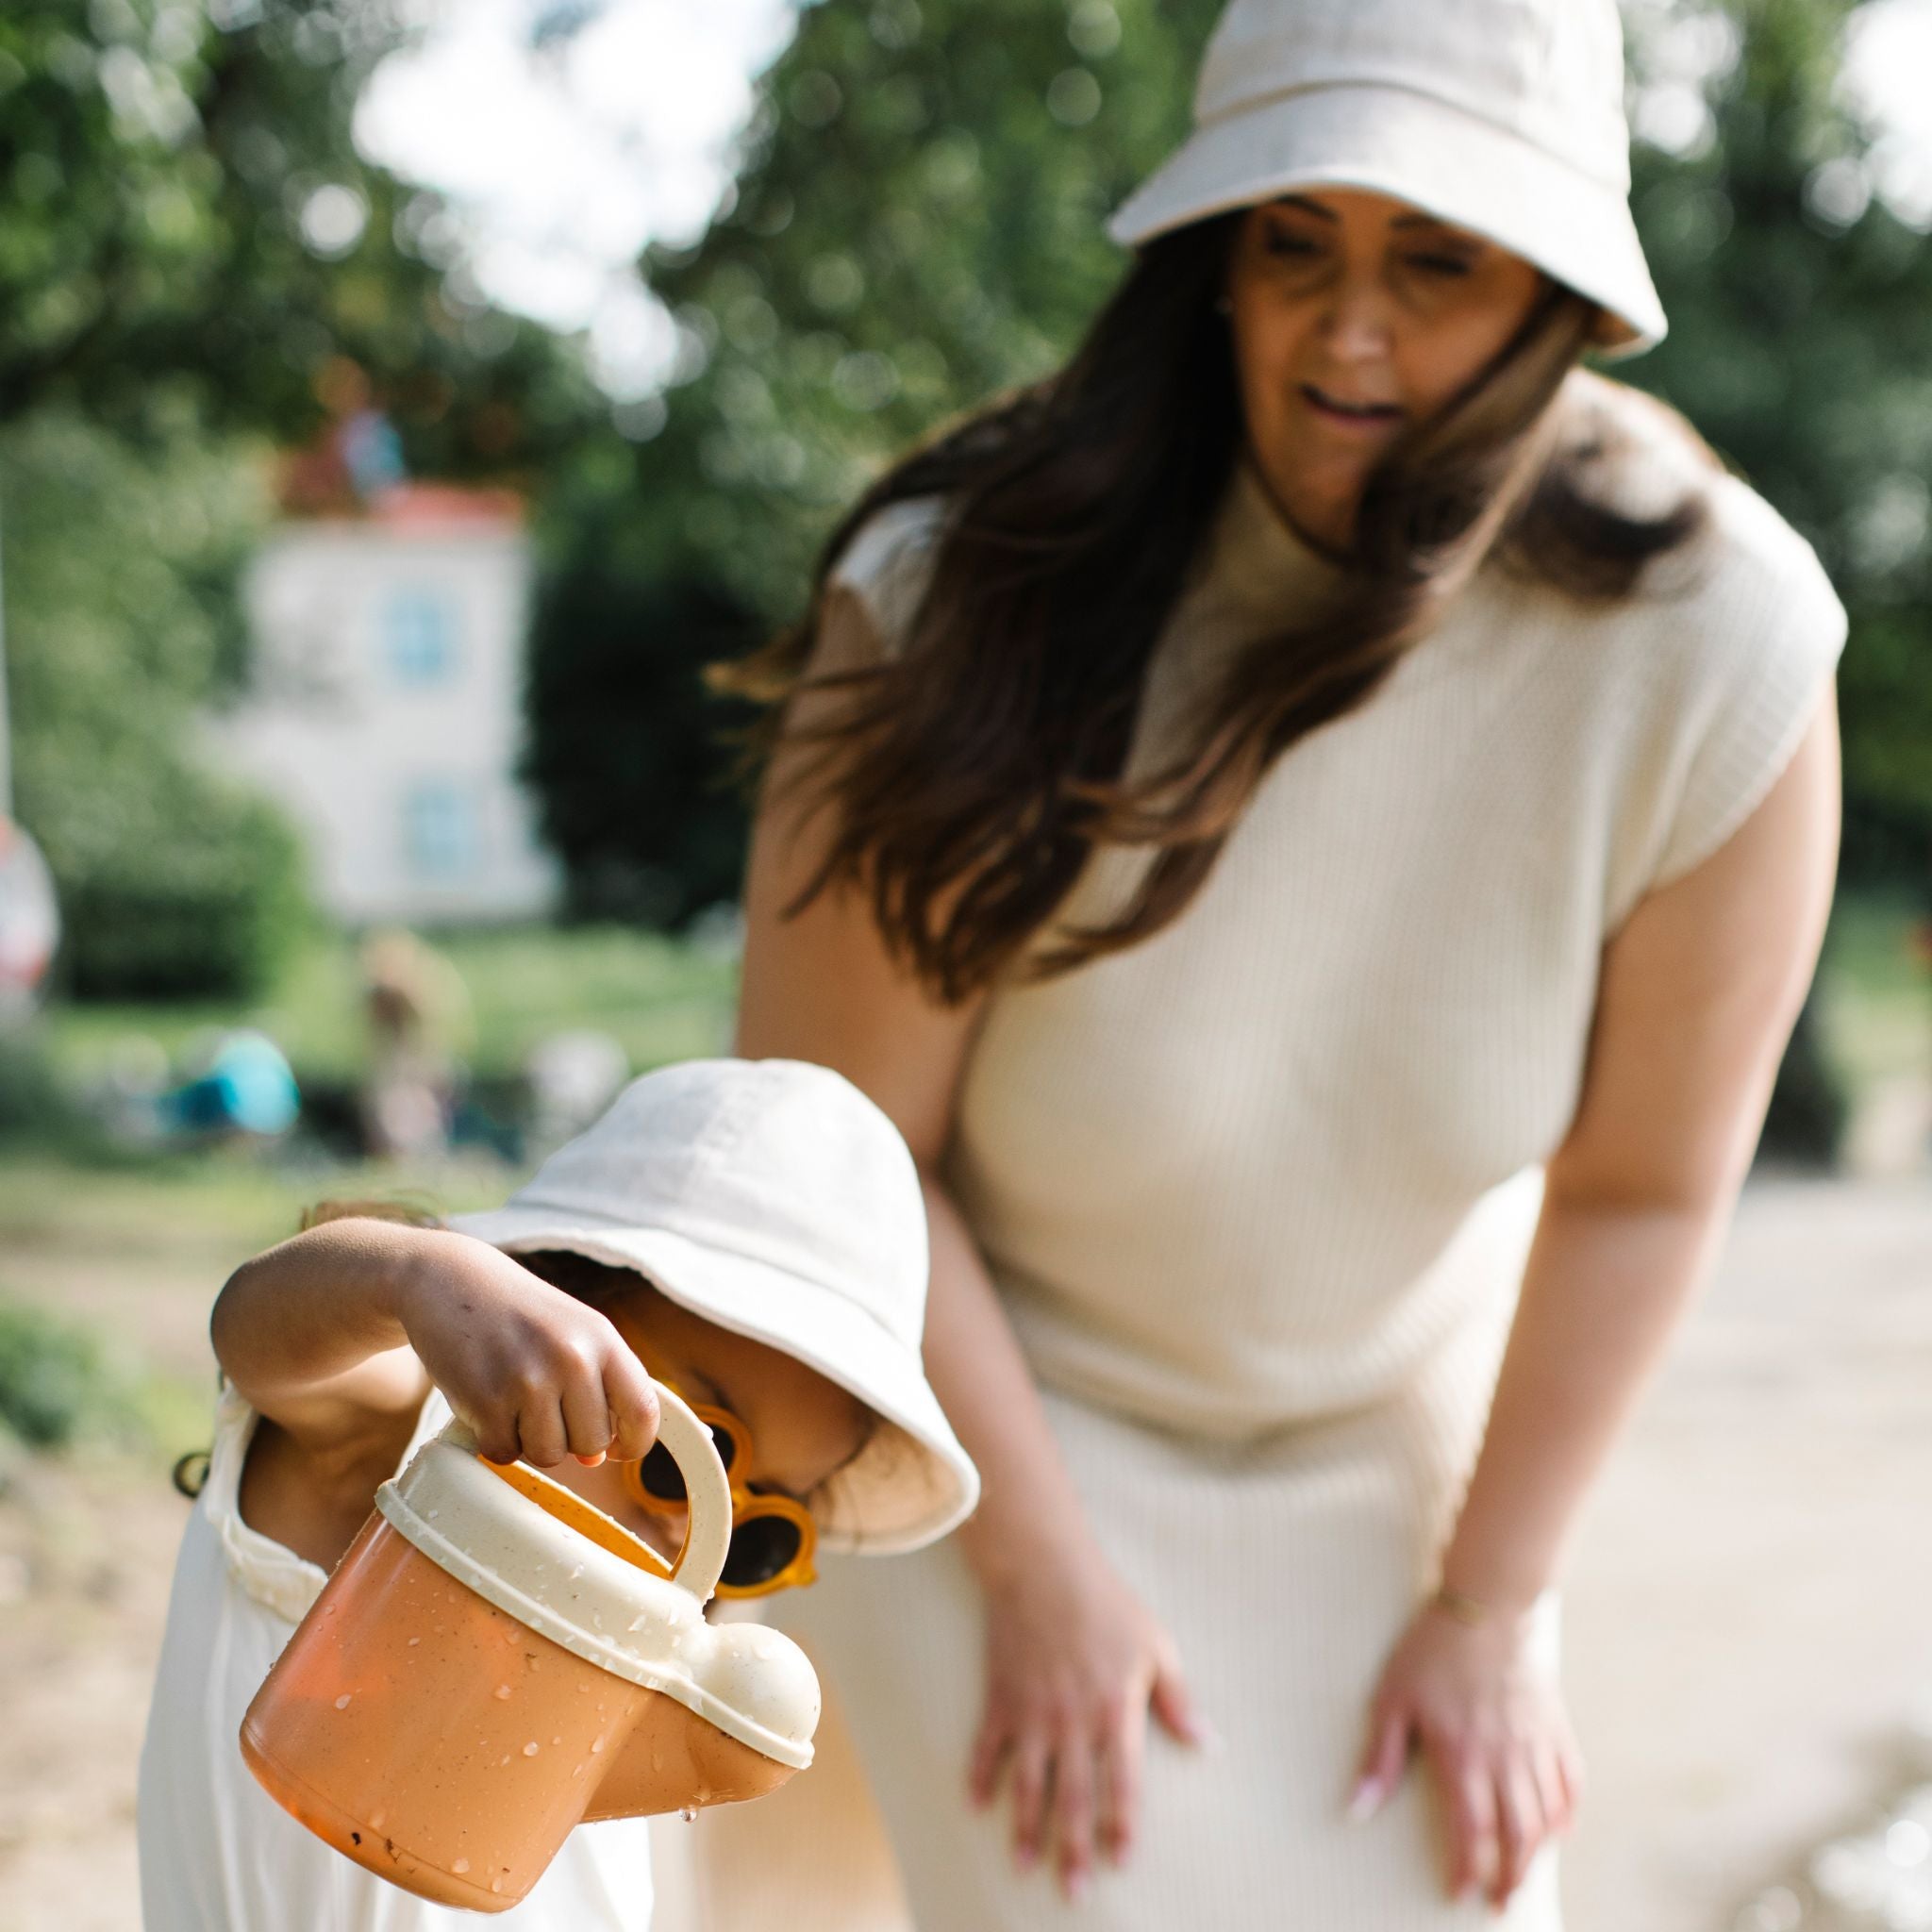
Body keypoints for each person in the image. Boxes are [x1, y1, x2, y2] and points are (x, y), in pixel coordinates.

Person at [703, 0, 1849, 1924]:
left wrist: (1493, 1603)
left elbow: (1643, 1189)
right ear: (1209, 257)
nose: (1346, 334)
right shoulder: (952, 592)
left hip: (1394, 1444)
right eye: (1289, 241)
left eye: (1436, 259)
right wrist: (1038, 1574)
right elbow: (838, 1153)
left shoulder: (1717, 646)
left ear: (1562, 291)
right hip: (980, 1424)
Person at [137, 1057, 979, 1932]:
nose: (697, 1526)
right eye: (689, 1451)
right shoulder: (398, 1457)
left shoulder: (622, 1676)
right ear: (548, 1307)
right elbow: (255, 1340)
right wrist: (418, 1281)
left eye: (762, 1528)